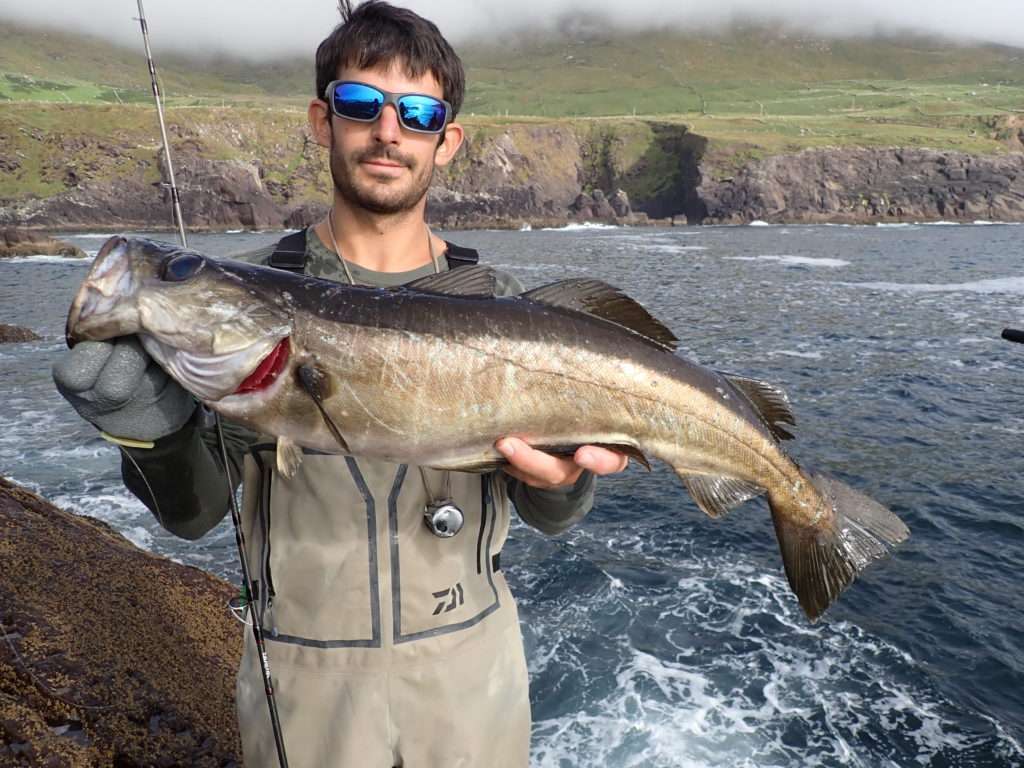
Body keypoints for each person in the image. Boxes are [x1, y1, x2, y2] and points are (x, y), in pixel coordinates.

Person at [53, 2, 627, 766]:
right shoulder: (249, 307)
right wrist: (150, 434)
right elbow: (194, 516)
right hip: (303, 687)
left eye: (418, 113)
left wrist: (562, 482)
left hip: (471, 682)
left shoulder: (510, 306)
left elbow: (553, 512)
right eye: (362, 104)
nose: (389, 131)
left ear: (445, 141)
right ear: (324, 121)